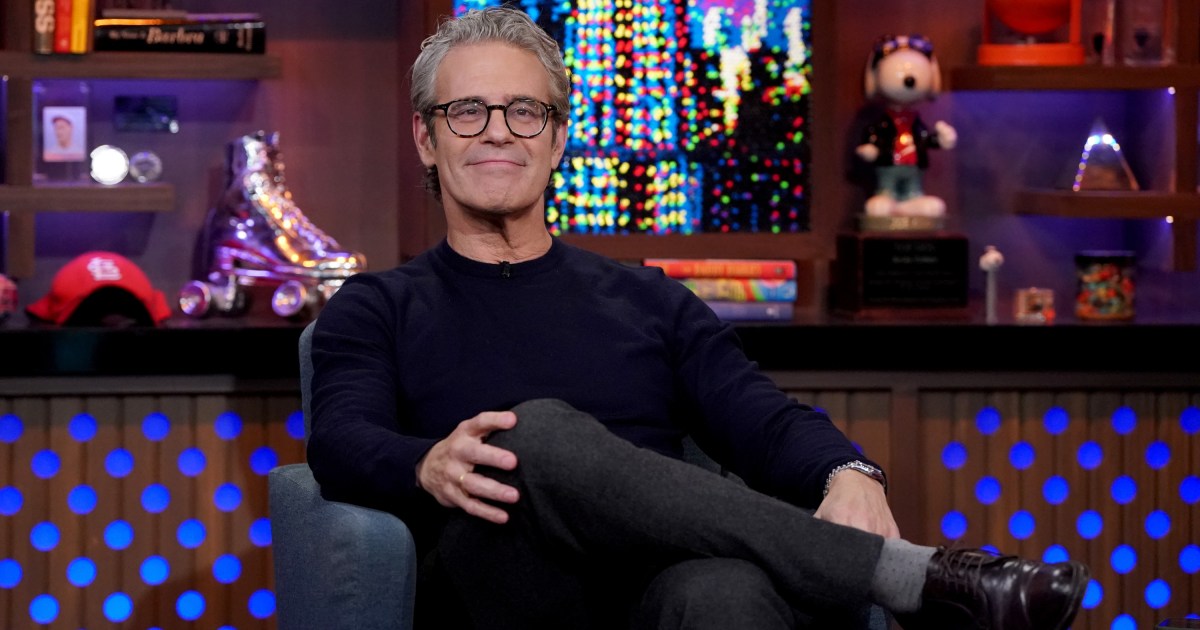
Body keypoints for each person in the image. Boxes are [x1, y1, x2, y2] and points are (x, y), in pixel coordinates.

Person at [306, 7, 1089, 629]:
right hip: (502, 583)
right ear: (427, 138)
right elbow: (340, 439)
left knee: (726, 590)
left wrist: (850, 472)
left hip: (656, 590)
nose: (499, 130)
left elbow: (761, 417)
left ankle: (911, 583)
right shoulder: (376, 307)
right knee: (531, 433)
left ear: (559, 138)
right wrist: (425, 464)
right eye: (468, 111)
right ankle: (916, 580)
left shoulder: (648, 298)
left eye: (525, 111)